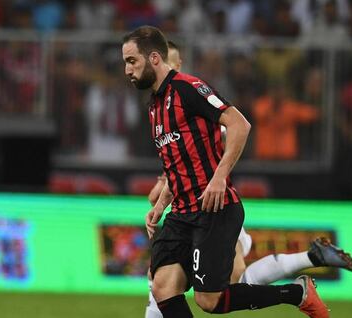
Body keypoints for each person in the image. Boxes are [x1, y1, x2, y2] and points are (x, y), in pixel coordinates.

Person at [122, 25, 329, 318]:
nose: (127, 69)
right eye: (125, 63)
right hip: (182, 212)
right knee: (163, 286)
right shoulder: (154, 105)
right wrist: (161, 204)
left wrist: (220, 177)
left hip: (214, 209)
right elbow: (176, 164)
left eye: (132, 61)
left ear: (154, 58)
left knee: (210, 301)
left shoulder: (188, 88)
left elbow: (239, 124)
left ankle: (297, 293)